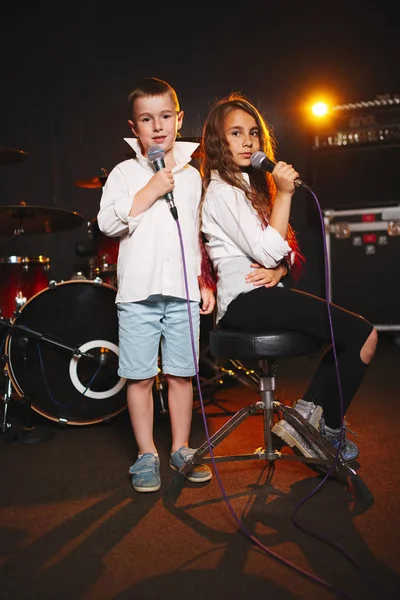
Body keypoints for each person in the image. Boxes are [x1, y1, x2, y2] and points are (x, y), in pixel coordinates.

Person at [199, 93, 378, 462]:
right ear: (218, 141)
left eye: (253, 133)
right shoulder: (221, 192)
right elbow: (267, 249)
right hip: (244, 303)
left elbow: (283, 252)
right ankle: (320, 427)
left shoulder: (246, 190)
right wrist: (284, 195)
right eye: (235, 133)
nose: (248, 141)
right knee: (363, 334)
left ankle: (311, 418)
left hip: (259, 296)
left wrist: (280, 267)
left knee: (356, 335)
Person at [97, 77, 215, 492]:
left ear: (179, 119)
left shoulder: (192, 176)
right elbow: (108, 223)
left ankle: (181, 447)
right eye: (148, 119)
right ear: (135, 127)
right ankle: (147, 453)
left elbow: (197, 234)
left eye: (166, 116)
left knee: (182, 374)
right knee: (140, 376)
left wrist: (204, 281)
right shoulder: (125, 173)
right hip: (138, 295)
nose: (158, 125)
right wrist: (149, 190)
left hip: (182, 292)